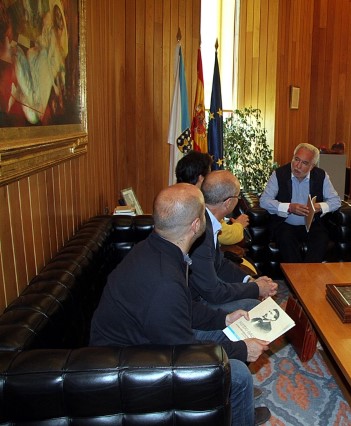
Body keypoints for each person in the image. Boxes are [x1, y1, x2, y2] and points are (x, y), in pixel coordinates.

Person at [90, 184, 271, 426]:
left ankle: (238, 408)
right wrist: (241, 351)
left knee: (228, 332)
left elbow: (184, 305)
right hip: (128, 368)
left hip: (148, 339)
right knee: (238, 375)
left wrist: (224, 319)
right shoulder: (164, 280)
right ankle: (239, 408)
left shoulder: (156, 247)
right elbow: (183, 353)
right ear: (196, 225)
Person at [190, 170, 277, 313]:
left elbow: (220, 263)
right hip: (194, 308)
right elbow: (214, 293)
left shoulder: (207, 220)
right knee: (256, 307)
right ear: (229, 202)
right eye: (238, 197)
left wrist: (250, 281)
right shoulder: (200, 232)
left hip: (204, 290)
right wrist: (256, 288)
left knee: (254, 301)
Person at [259, 143, 341, 263]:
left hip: (312, 225)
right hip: (286, 224)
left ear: (312, 166)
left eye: (304, 163)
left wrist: (320, 207)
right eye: (296, 159)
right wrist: (289, 207)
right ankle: (296, 276)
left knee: (321, 238)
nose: (297, 166)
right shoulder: (279, 174)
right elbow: (264, 201)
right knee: (285, 238)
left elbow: (336, 200)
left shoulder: (321, 176)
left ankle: (308, 276)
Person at [175, 150, 250, 247]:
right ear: (201, 179)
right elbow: (224, 235)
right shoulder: (196, 205)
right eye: (209, 175)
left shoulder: (173, 196)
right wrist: (239, 225)